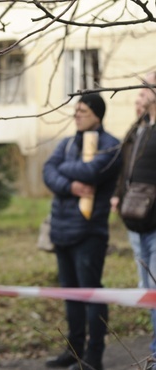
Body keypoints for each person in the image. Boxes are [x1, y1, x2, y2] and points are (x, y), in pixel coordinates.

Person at [43, 93, 122, 370]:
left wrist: (64, 172)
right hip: (61, 230)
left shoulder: (110, 145)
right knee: (71, 294)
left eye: (83, 110)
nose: (76, 114)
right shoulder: (66, 144)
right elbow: (47, 171)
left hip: (89, 233)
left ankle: (93, 358)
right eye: (75, 110)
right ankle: (74, 352)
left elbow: (93, 172)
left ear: (97, 115)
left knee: (92, 294)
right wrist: (70, 185)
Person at [110, 71, 156, 368]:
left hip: (155, 225)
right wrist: (117, 194)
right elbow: (123, 168)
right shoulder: (138, 129)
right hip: (135, 224)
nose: (141, 90)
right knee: (148, 293)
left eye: (146, 85)